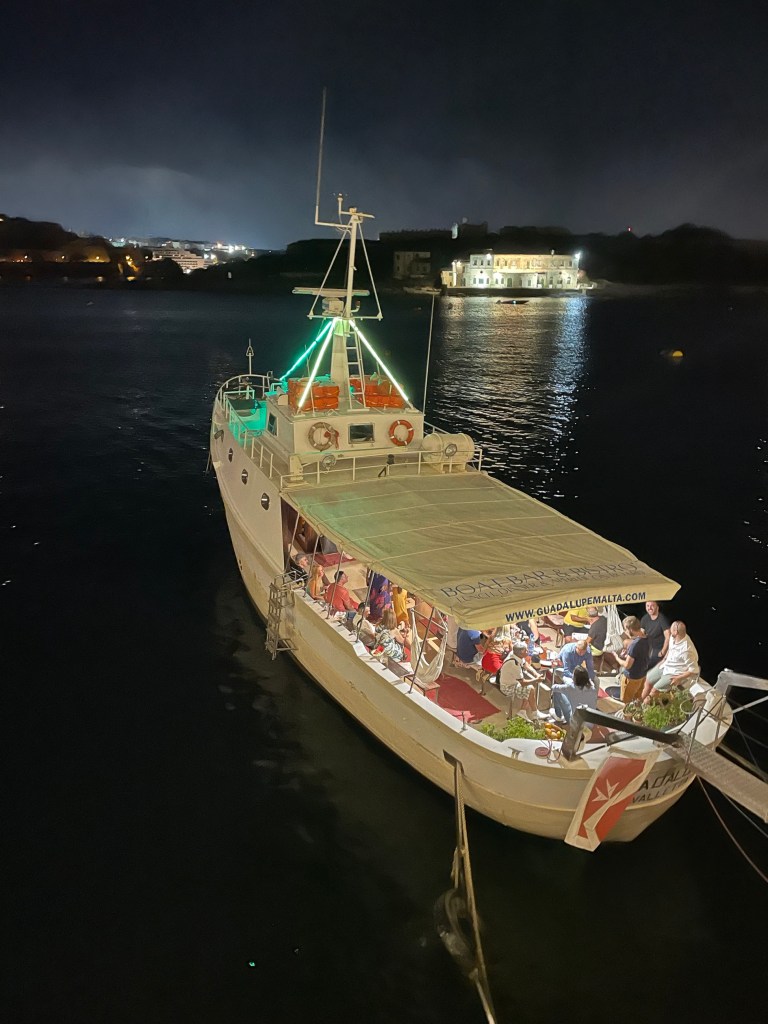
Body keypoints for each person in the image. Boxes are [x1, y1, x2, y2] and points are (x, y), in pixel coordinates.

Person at [642, 621, 699, 702]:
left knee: (654, 690)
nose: (669, 629)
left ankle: (645, 705)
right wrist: (664, 659)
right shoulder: (673, 637)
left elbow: (694, 670)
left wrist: (678, 678)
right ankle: (640, 700)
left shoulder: (687, 650)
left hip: (675, 672)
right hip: (666, 665)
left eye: (671, 628)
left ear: (676, 632)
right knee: (648, 679)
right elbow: (670, 648)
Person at [615, 615, 650, 703]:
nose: (625, 632)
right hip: (643, 675)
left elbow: (627, 665)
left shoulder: (635, 645)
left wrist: (616, 658)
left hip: (632, 677)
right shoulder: (647, 636)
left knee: (625, 701)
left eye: (625, 629)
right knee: (637, 699)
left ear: (630, 629)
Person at [640, 600, 671, 670]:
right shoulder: (644, 618)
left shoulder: (662, 619)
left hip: (658, 649)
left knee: (647, 665)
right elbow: (641, 635)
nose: (649, 608)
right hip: (648, 648)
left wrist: (663, 651)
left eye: (652, 606)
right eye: (647, 606)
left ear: (657, 607)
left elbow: (668, 637)